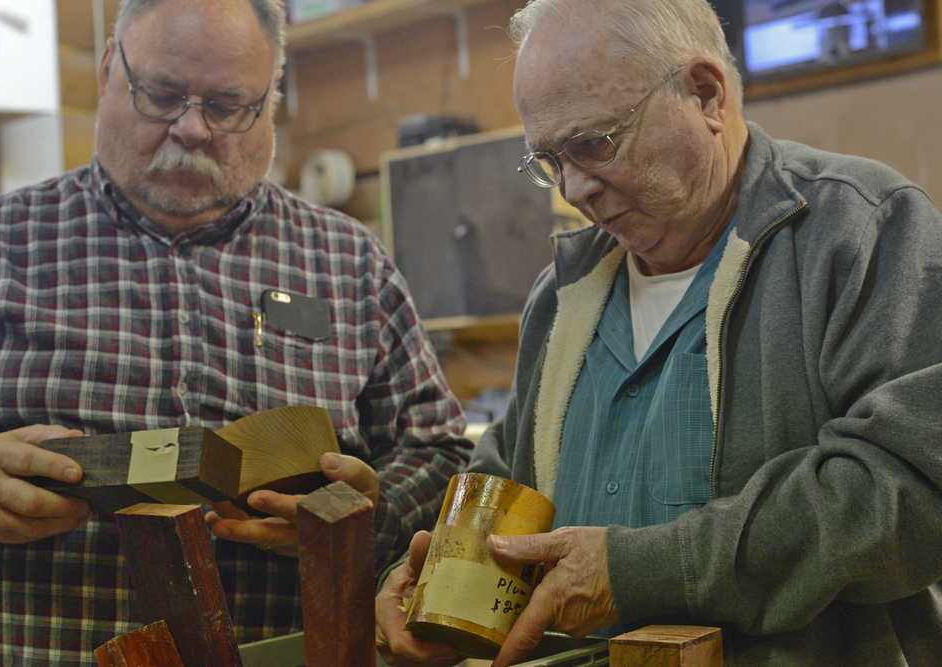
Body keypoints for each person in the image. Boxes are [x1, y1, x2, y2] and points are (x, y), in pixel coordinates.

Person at [375, 0, 942, 665]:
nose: (576, 189)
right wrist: (434, 582)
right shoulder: (560, 296)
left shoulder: (863, 234)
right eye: (551, 160)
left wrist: (641, 572)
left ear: (705, 94)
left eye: (593, 143)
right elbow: (505, 478)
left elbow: (911, 489)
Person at [0, 0, 471, 664]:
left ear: (271, 99)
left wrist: (372, 509)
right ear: (109, 70)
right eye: (161, 94)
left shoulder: (349, 261)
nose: (191, 128)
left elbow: (443, 452)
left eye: (226, 105)